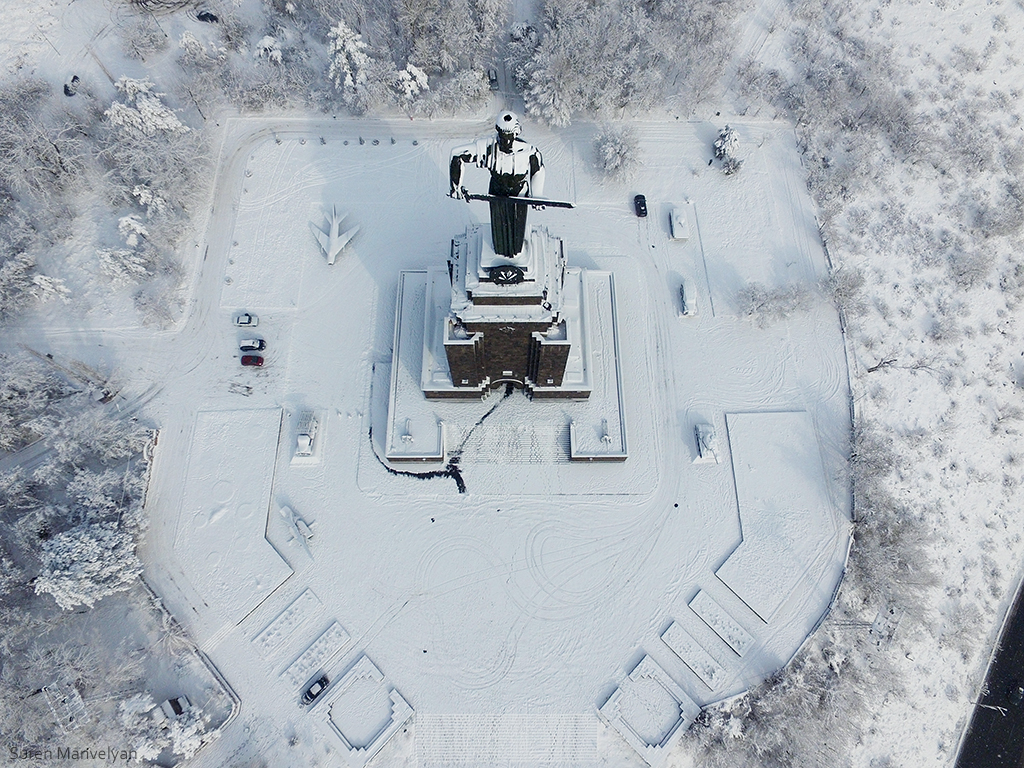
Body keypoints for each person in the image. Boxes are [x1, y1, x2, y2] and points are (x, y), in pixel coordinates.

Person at [449, 111, 546, 257]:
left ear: (516, 133)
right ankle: (500, 251)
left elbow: (537, 170)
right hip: (497, 192)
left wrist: (536, 196)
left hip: (519, 194)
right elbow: (457, 155)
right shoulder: (488, 147)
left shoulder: (528, 151)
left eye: (509, 138)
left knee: (517, 232)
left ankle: (516, 252)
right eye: (502, 138)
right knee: (499, 231)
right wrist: (455, 187)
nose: (506, 143)